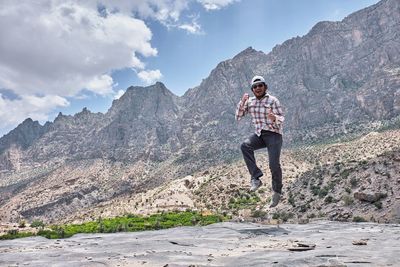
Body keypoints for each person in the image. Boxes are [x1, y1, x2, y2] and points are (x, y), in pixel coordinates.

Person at [235, 75, 284, 208]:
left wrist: (274, 118)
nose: (258, 88)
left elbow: (282, 118)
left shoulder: (273, 101)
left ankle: (277, 191)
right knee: (245, 146)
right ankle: (256, 178)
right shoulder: (250, 102)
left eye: (260, 85)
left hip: (274, 134)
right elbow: (238, 116)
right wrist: (242, 102)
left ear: (265, 87)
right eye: (255, 86)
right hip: (260, 134)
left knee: (273, 164)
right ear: (252, 90)